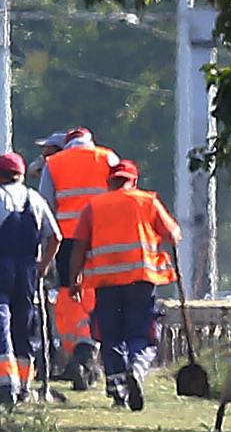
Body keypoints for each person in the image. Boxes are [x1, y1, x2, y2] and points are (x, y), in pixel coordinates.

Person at [69, 159, 181, 413]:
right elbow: (174, 235)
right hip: (141, 281)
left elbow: (79, 246)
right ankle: (137, 370)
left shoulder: (93, 207)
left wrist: (74, 279)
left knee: (111, 338)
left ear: (109, 181)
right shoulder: (147, 201)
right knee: (141, 335)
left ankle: (118, 392)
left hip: (105, 283)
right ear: (134, 180)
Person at [0, 152, 60, 406]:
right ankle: (25, 385)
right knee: (24, 326)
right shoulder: (34, 198)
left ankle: (5, 383)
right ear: (21, 174)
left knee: (1, 320)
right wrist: (42, 266)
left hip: (2, 267)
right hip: (27, 270)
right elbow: (55, 236)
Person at [36, 127, 117, 288]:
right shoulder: (108, 157)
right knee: (104, 285)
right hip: (103, 234)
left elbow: (45, 203)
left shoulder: (54, 163)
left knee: (69, 284)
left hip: (68, 236)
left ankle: (72, 312)